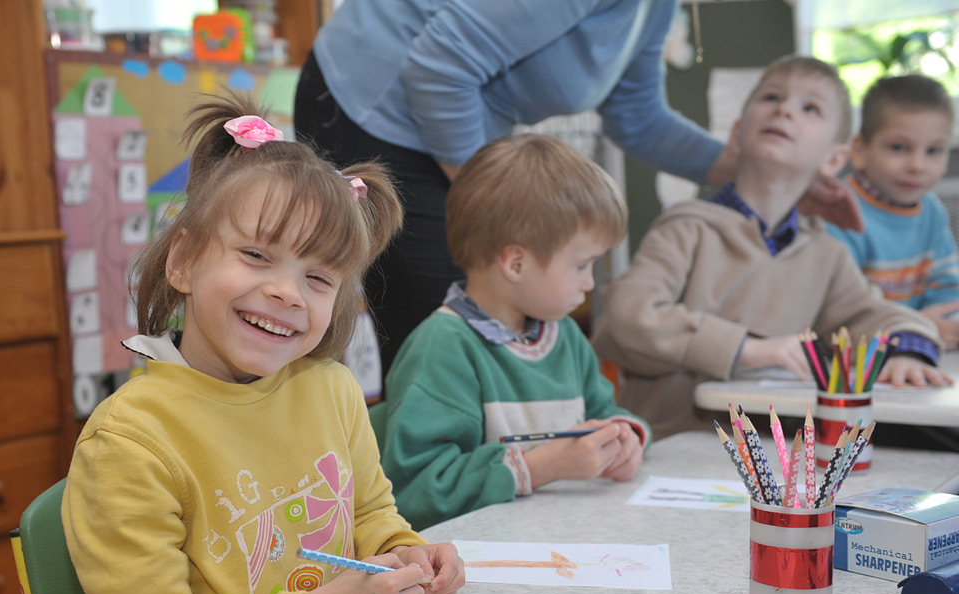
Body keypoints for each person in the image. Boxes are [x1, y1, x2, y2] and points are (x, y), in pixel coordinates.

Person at [61, 95, 465, 594]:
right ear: (183, 260)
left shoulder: (331, 389)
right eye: (255, 256)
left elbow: (368, 512)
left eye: (317, 277)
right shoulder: (131, 443)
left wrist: (404, 549)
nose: (285, 292)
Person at [294, 0, 862, 377]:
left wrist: (753, 172)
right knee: (445, 332)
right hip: (372, 108)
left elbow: (637, 115)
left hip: (446, 124)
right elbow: (442, 67)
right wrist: (492, 202)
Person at [592, 56, 949, 440]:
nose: (784, 110)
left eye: (810, 108)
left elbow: (876, 316)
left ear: (834, 158)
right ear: (736, 134)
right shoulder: (685, 228)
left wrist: (907, 351)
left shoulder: (825, 253)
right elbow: (626, 316)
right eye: (771, 97)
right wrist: (745, 348)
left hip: (780, 456)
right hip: (676, 445)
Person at [378, 134, 650, 531]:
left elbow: (603, 413)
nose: (589, 283)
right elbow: (415, 490)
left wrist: (623, 438)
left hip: (564, 543)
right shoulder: (443, 347)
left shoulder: (565, 337)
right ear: (516, 264)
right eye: (581, 265)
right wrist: (545, 464)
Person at [827, 74, 959, 350]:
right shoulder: (837, 211)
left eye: (933, 150)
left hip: (916, 346)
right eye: (899, 148)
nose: (917, 165)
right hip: (860, 357)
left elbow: (946, 287)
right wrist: (918, 326)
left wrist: (940, 322)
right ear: (860, 151)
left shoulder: (932, 211)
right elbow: (839, 313)